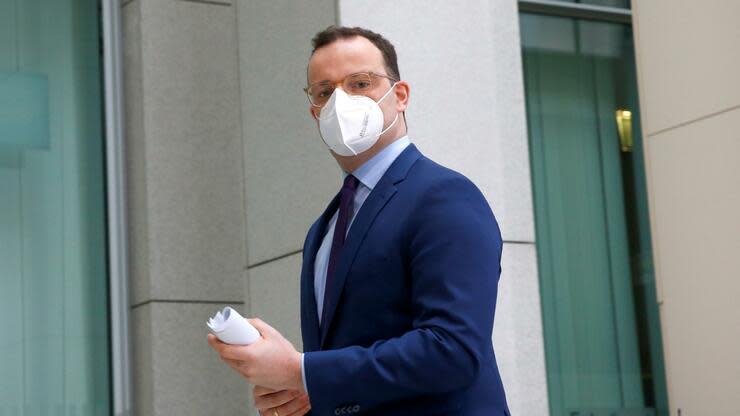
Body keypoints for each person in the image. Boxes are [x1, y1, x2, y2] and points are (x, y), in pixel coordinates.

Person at [208, 26, 510, 416]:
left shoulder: (444, 195)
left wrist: (301, 371)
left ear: (400, 96)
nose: (340, 102)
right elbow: (344, 365)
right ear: (314, 111)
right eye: (324, 92)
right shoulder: (324, 227)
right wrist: (304, 393)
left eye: (360, 83)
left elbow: (452, 349)